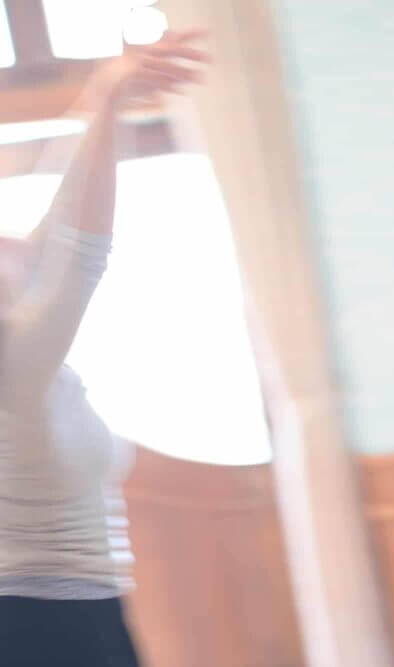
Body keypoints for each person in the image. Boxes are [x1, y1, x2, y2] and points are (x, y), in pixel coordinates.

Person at [0, 31, 208, 667]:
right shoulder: (16, 364)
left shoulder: (25, 357)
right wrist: (109, 100)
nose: (15, 239)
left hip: (64, 617)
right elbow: (79, 250)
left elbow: (55, 235)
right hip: (43, 627)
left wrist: (100, 101)